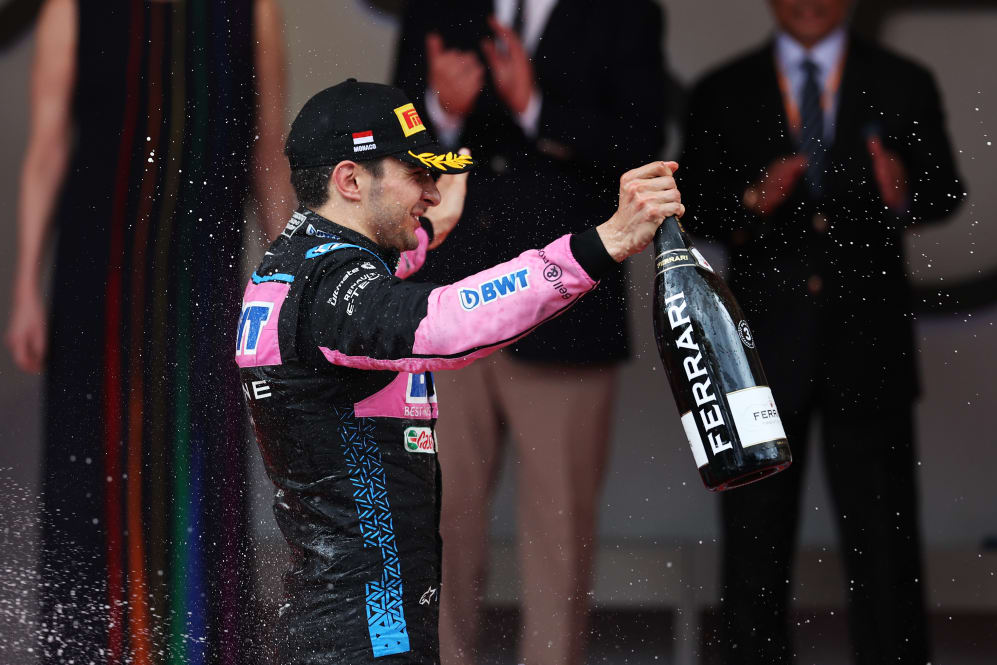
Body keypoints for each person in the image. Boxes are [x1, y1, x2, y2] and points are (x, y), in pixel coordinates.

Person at [236, 78, 683, 665]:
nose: (430, 191)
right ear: (349, 181)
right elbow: (441, 324)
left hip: (342, 619)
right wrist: (605, 243)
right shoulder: (332, 289)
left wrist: (422, 233)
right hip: (366, 635)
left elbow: (370, 300)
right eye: (416, 175)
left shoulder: (304, 264)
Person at [5, 0, 292, 662]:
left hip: (201, 288)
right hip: (95, 288)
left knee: (198, 476)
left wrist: (288, 287)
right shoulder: (71, 8)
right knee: (93, 490)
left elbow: (268, 153)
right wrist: (25, 285)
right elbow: (48, 147)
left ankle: (197, 649)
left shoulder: (254, 9)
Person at [678, 0, 965, 663]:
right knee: (752, 545)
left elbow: (946, 189)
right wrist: (751, 200)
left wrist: (903, 194)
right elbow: (689, 198)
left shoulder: (903, 78)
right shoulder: (722, 86)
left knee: (885, 547)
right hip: (757, 355)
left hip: (866, 347)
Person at [391, 3, 669, 662]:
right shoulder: (433, 8)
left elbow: (642, 144)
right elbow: (394, 127)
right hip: (448, 309)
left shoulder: (629, 15)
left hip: (564, 310)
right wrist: (442, 109)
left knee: (558, 533)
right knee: (434, 524)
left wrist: (535, 107)